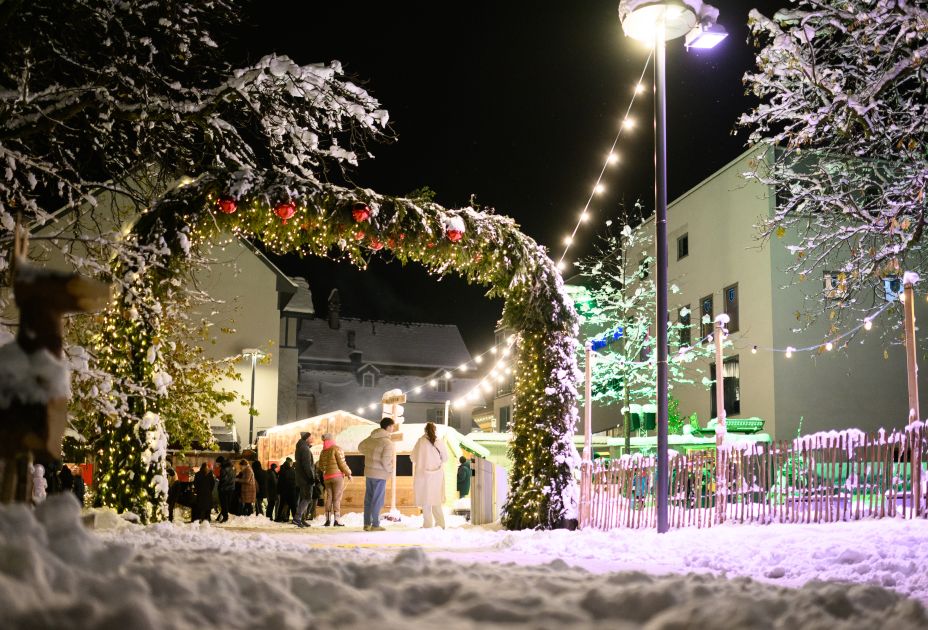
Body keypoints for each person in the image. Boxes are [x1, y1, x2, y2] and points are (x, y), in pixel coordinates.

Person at [358, 418, 396, 532]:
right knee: (377, 500)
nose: (393, 428)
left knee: (368, 499)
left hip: (369, 473)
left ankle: (366, 524)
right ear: (388, 427)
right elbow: (386, 461)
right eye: (392, 426)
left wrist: (371, 454)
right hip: (380, 474)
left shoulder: (371, 438)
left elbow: (360, 447)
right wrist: (391, 470)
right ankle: (375, 524)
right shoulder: (388, 443)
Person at [411, 422, 448, 529]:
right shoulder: (439, 442)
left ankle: (427, 525)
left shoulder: (420, 442)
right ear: (434, 430)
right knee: (436, 500)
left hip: (423, 475)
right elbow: (445, 458)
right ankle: (440, 524)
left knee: (425, 500)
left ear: (425, 430)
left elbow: (413, 457)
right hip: (436, 475)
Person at [317, 432, 352, 527]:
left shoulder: (323, 451)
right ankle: (337, 520)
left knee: (329, 498)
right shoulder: (336, 449)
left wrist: (326, 471)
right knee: (336, 498)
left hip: (327, 478)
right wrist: (348, 473)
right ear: (332, 439)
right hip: (337, 477)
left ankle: (327, 520)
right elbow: (342, 463)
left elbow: (320, 465)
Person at [293, 432, 317, 528]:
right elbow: (307, 465)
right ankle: (297, 518)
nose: (313, 438)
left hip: (301, 478)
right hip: (305, 478)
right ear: (307, 438)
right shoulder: (305, 449)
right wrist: (311, 477)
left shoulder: (301, 447)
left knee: (303, 498)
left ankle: (301, 519)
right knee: (307, 498)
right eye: (311, 437)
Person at [276, 458, 296, 522]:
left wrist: (278, 491)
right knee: (293, 506)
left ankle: (279, 517)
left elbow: (280, 482)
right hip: (291, 491)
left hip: (284, 491)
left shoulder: (282, 472)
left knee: (281, 505)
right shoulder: (293, 471)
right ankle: (295, 518)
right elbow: (295, 481)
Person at [216, 456, 235, 523]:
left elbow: (224, 480)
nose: (217, 464)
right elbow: (231, 478)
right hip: (231, 488)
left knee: (223, 504)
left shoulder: (223, 469)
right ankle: (223, 516)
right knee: (227, 504)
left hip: (224, 489)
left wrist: (219, 484)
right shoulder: (231, 467)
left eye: (218, 463)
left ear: (221, 462)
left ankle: (225, 517)